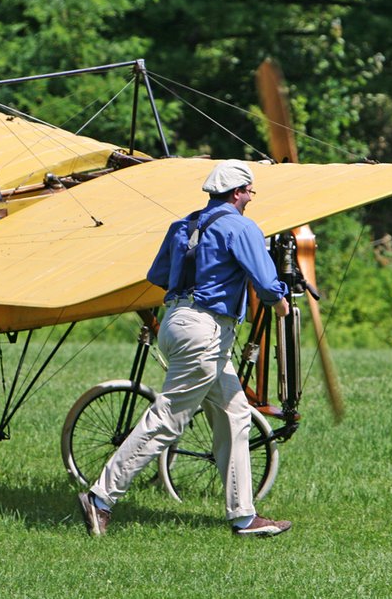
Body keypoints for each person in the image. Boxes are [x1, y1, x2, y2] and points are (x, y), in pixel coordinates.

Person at [78, 159, 292, 538]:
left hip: (177, 322)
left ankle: (243, 516)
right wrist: (280, 303)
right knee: (168, 418)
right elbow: (267, 283)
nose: (250, 199)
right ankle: (101, 497)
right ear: (239, 192)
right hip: (206, 329)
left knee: (235, 414)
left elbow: (159, 276)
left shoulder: (184, 225)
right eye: (249, 193)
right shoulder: (241, 227)